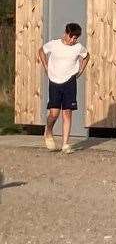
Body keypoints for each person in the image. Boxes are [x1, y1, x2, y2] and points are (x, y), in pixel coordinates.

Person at [38, 22, 90, 154]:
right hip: (55, 81)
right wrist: (46, 67)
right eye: (72, 37)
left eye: (76, 38)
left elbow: (86, 56)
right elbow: (41, 51)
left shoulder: (78, 47)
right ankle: (48, 131)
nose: (73, 40)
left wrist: (81, 70)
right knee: (54, 113)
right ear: (66, 33)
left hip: (70, 81)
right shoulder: (54, 44)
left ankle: (65, 143)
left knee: (67, 112)